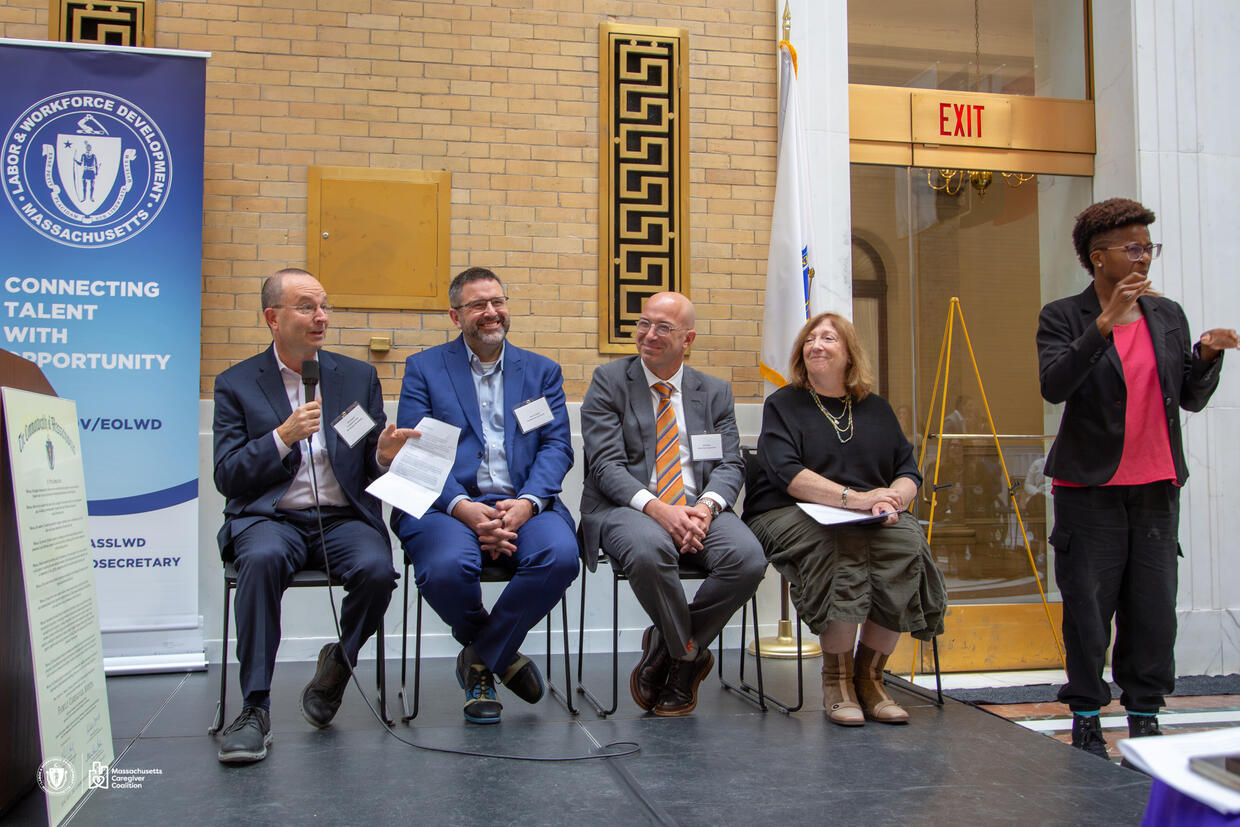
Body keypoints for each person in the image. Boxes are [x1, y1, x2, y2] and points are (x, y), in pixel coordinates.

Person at [1037, 198, 1236, 758]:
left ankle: (1145, 717)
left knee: (1152, 609)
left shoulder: (1167, 314)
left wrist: (1208, 354)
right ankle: (1085, 718)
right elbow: (1055, 385)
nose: (1144, 257)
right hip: (1089, 490)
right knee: (1089, 609)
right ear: (1099, 258)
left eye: (1148, 247)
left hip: (1156, 486)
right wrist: (1104, 324)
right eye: (1133, 247)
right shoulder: (1062, 316)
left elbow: (1190, 397)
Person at [212, 268, 416, 764]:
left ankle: (339, 664)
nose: (320, 316)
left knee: (377, 571)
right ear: (272, 318)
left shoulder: (356, 376)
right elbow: (227, 474)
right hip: (270, 518)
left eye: (324, 305)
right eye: (306, 306)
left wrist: (385, 456)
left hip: (341, 516)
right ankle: (254, 709)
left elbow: (367, 461)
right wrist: (281, 437)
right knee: (259, 563)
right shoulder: (236, 384)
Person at [390, 267, 579, 725]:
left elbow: (556, 446)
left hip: (525, 503)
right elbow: (415, 451)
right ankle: (502, 655)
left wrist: (528, 502)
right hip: (447, 504)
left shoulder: (540, 371)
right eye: (478, 305)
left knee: (560, 556)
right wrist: (463, 508)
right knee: (446, 568)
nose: (491, 312)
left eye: (497, 301)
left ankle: (480, 658)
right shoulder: (424, 368)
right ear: (456, 316)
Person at [744, 312, 947, 727]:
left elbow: (908, 470)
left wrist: (894, 501)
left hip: (868, 516)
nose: (816, 345)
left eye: (828, 338)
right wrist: (855, 500)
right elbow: (787, 474)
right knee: (843, 549)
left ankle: (870, 679)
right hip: (787, 512)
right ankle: (836, 681)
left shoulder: (877, 409)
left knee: (907, 543)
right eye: (810, 339)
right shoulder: (783, 404)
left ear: (850, 353)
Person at [580, 291, 766, 716]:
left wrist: (706, 508)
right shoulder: (609, 381)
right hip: (625, 506)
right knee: (649, 550)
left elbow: (730, 462)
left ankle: (671, 644)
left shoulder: (714, 391)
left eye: (663, 328)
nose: (648, 335)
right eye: (643, 324)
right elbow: (606, 467)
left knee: (748, 559)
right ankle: (689, 658)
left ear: (688, 339)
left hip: (698, 505)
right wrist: (660, 510)